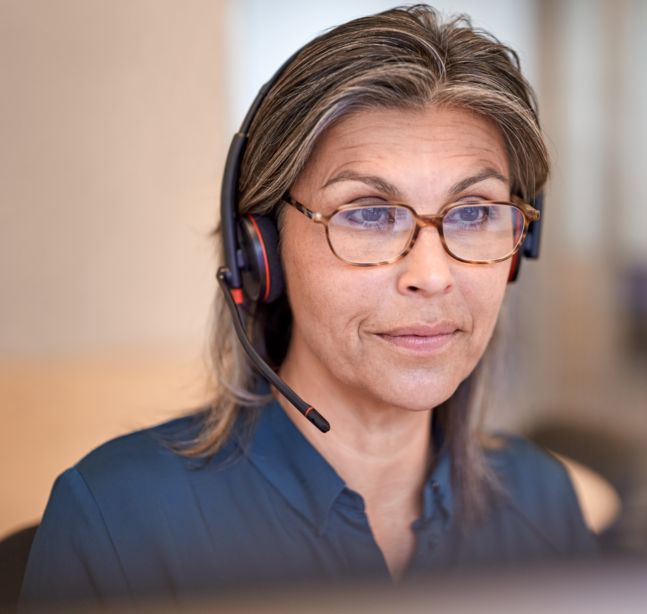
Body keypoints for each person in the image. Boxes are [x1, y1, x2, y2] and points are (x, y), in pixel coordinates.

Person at [20, 5, 596, 608]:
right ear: (263, 249)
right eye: (368, 214)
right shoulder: (120, 522)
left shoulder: (544, 503)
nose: (431, 276)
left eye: (475, 212)